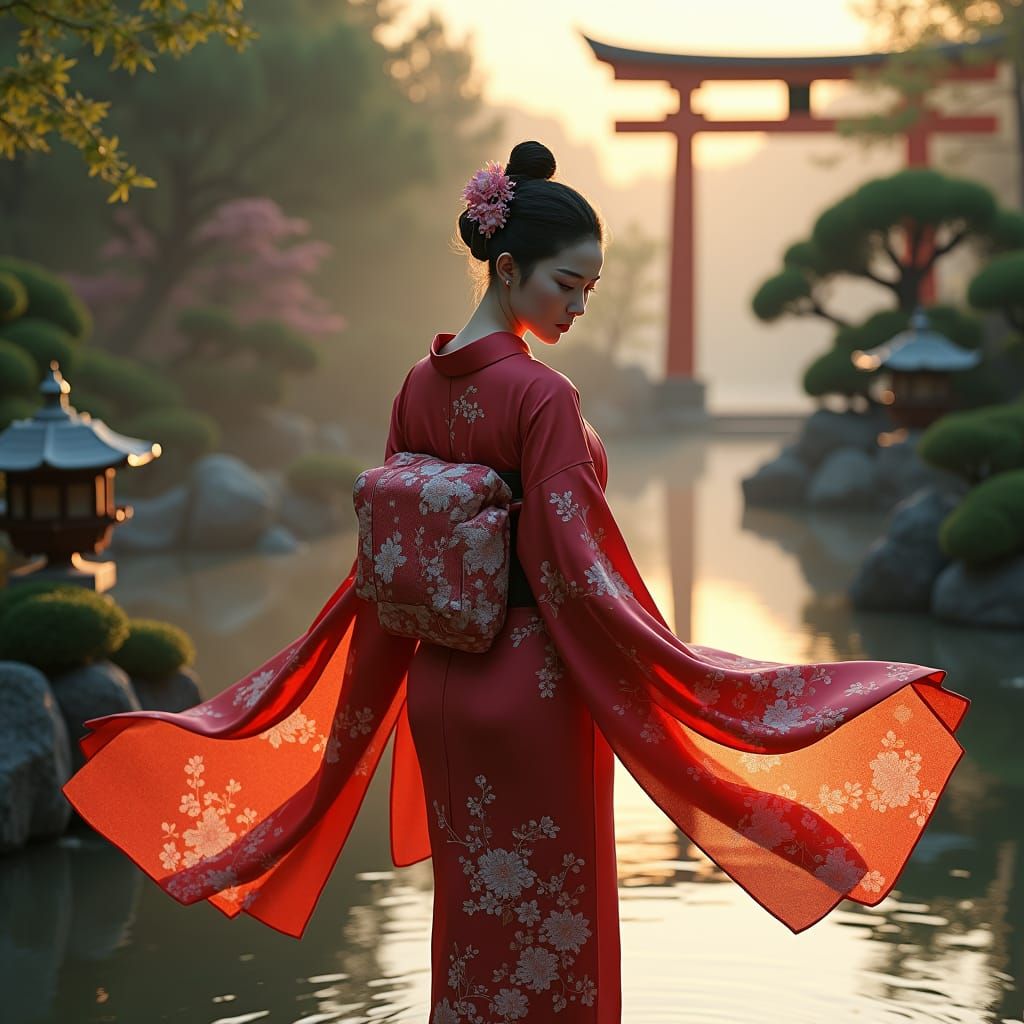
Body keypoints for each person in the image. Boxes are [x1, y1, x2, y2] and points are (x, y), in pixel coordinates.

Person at [62, 140, 970, 1023]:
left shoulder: (418, 385)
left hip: (441, 688)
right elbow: (576, 573)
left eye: (589, 289)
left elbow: (390, 571)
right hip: (533, 685)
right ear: (505, 269)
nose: (579, 307)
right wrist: (685, 668)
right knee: (556, 928)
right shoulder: (544, 398)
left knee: (474, 925)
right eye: (565, 285)